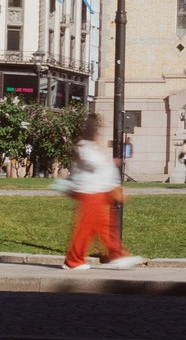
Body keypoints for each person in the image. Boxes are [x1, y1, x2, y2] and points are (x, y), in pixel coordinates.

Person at [59, 115, 143, 271]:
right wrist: (104, 154)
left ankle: (113, 255)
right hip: (90, 191)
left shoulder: (90, 147)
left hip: (97, 191)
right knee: (91, 227)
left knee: (100, 226)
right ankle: (76, 260)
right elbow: (94, 164)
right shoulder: (85, 146)